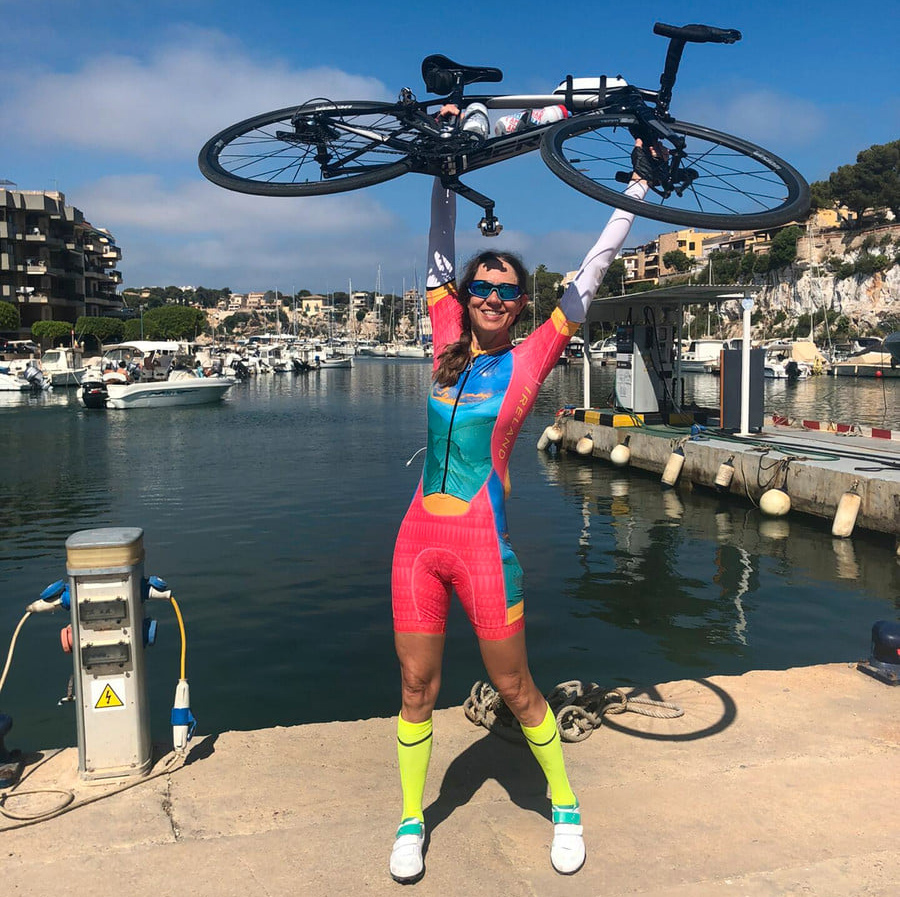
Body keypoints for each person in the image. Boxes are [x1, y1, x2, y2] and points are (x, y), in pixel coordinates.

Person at [389, 107, 652, 884]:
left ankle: (564, 805)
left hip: (482, 546)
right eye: (484, 286)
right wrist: (442, 171)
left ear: (521, 303)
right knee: (414, 687)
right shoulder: (443, 341)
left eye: (507, 289)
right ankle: (411, 819)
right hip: (416, 541)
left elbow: (593, 271)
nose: (494, 296)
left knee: (515, 686)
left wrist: (634, 186)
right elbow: (435, 256)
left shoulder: (534, 359)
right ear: (469, 297)